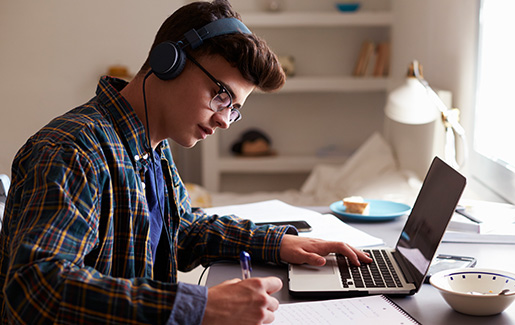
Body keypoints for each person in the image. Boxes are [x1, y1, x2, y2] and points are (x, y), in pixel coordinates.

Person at [0, 1, 372, 324]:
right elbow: (36, 289)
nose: (226, 121)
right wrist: (199, 307)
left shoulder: (151, 146)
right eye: (222, 96)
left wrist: (278, 244)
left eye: (235, 110)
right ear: (168, 62)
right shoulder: (73, 150)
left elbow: (182, 230)